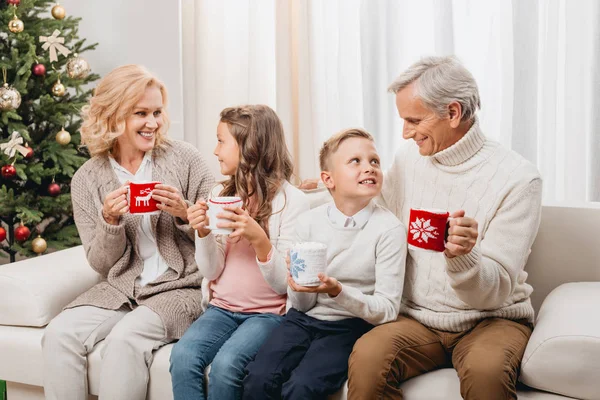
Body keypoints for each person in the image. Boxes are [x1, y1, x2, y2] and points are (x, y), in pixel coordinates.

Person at [346, 56, 543, 400]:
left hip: (493, 319)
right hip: (418, 318)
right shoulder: (408, 159)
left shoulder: (519, 179)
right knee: (367, 357)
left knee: (487, 373)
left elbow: (494, 291)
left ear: (452, 113)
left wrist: (464, 257)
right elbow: (375, 217)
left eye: (413, 120)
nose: (405, 133)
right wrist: (332, 190)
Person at [41, 65, 215, 400]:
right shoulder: (87, 178)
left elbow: (218, 236)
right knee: (59, 335)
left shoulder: (185, 158)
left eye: (157, 113)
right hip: (121, 287)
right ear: (113, 116)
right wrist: (110, 221)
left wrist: (183, 212)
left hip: (182, 287)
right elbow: (101, 264)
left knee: (123, 342)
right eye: (141, 114)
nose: (152, 124)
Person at [242, 128, 406, 400]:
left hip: (350, 326)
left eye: (374, 161)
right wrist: (298, 287)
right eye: (356, 161)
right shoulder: (308, 222)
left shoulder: (390, 230)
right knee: (257, 379)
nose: (369, 168)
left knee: (302, 388)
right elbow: (302, 303)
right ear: (328, 179)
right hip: (301, 320)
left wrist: (337, 291)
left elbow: (387, 309)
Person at [169, 105, 310, 400]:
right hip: (221, 309)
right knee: (183, 357)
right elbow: (211, 271)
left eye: (222, 141)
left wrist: (260, 240)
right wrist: (203, 233)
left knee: (227, 365)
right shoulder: (219, 195)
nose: (215, 150)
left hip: (267, 315)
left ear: (250, 147)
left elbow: (284, 283)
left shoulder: (292, 202)